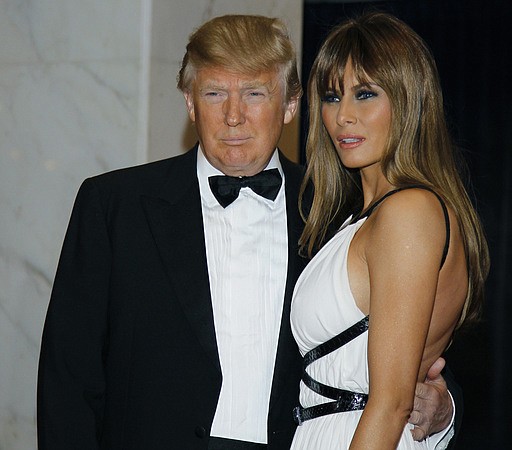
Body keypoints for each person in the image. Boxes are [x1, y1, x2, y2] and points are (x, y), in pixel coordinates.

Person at [37, 14, 459, 450]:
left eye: (254, 93)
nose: (233, 116)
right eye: (215, 93)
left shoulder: (342, 211)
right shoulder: (114, 205)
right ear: (189, 102)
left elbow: (409, 343)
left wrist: (444, 406)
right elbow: (68, 374)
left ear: (291, 104)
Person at [290, 11, 490, 450]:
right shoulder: (366, 218)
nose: (343, 116)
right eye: (330, 97)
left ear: (408, 100)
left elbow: (392, 403)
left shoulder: (409, 211)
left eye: (365, 94)